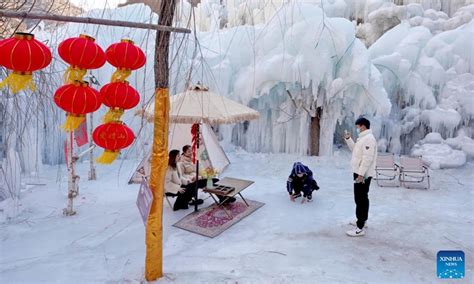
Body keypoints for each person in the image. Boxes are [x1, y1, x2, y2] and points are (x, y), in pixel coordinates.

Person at [344, 117, 378, 237]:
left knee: (360, 199)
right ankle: (363, 220)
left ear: (363, 126)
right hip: (360, 172)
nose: (357, 129)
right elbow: (355, 151)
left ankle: (359, 227)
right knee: (362, 198)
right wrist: (348, 139)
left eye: (357, 127)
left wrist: (361, 174)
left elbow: (367, 159)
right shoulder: (363, 138)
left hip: (362, 174)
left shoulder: (369, 139)